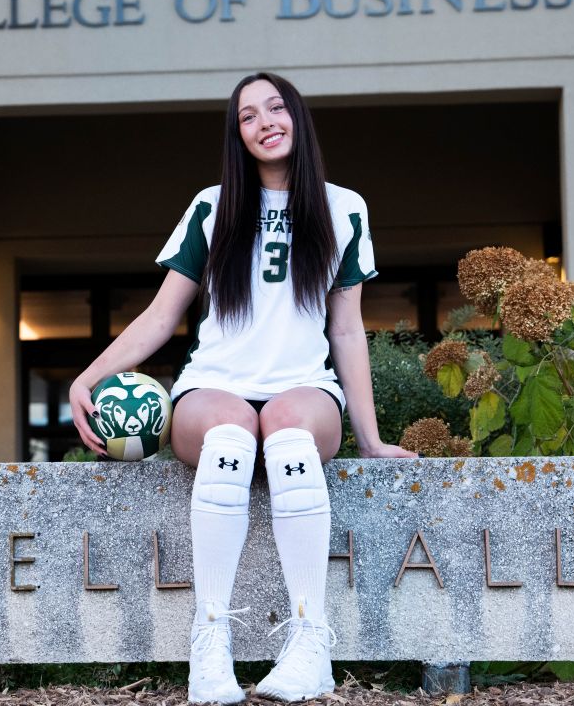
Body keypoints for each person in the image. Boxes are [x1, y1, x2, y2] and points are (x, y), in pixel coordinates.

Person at [69, 72, 416, 704]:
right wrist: (88, 377)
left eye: (275, 108)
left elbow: (346, 329)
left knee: (284, 433)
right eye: (248, 117)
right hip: (215, 386)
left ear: (297, 117)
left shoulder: (345, 207)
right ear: (239, 136)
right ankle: (210, 643)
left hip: (305, 389)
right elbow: (160, 315)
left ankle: (311, 644)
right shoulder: (214, 204)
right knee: (233, 432)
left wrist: (371, 438)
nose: (264, 123)